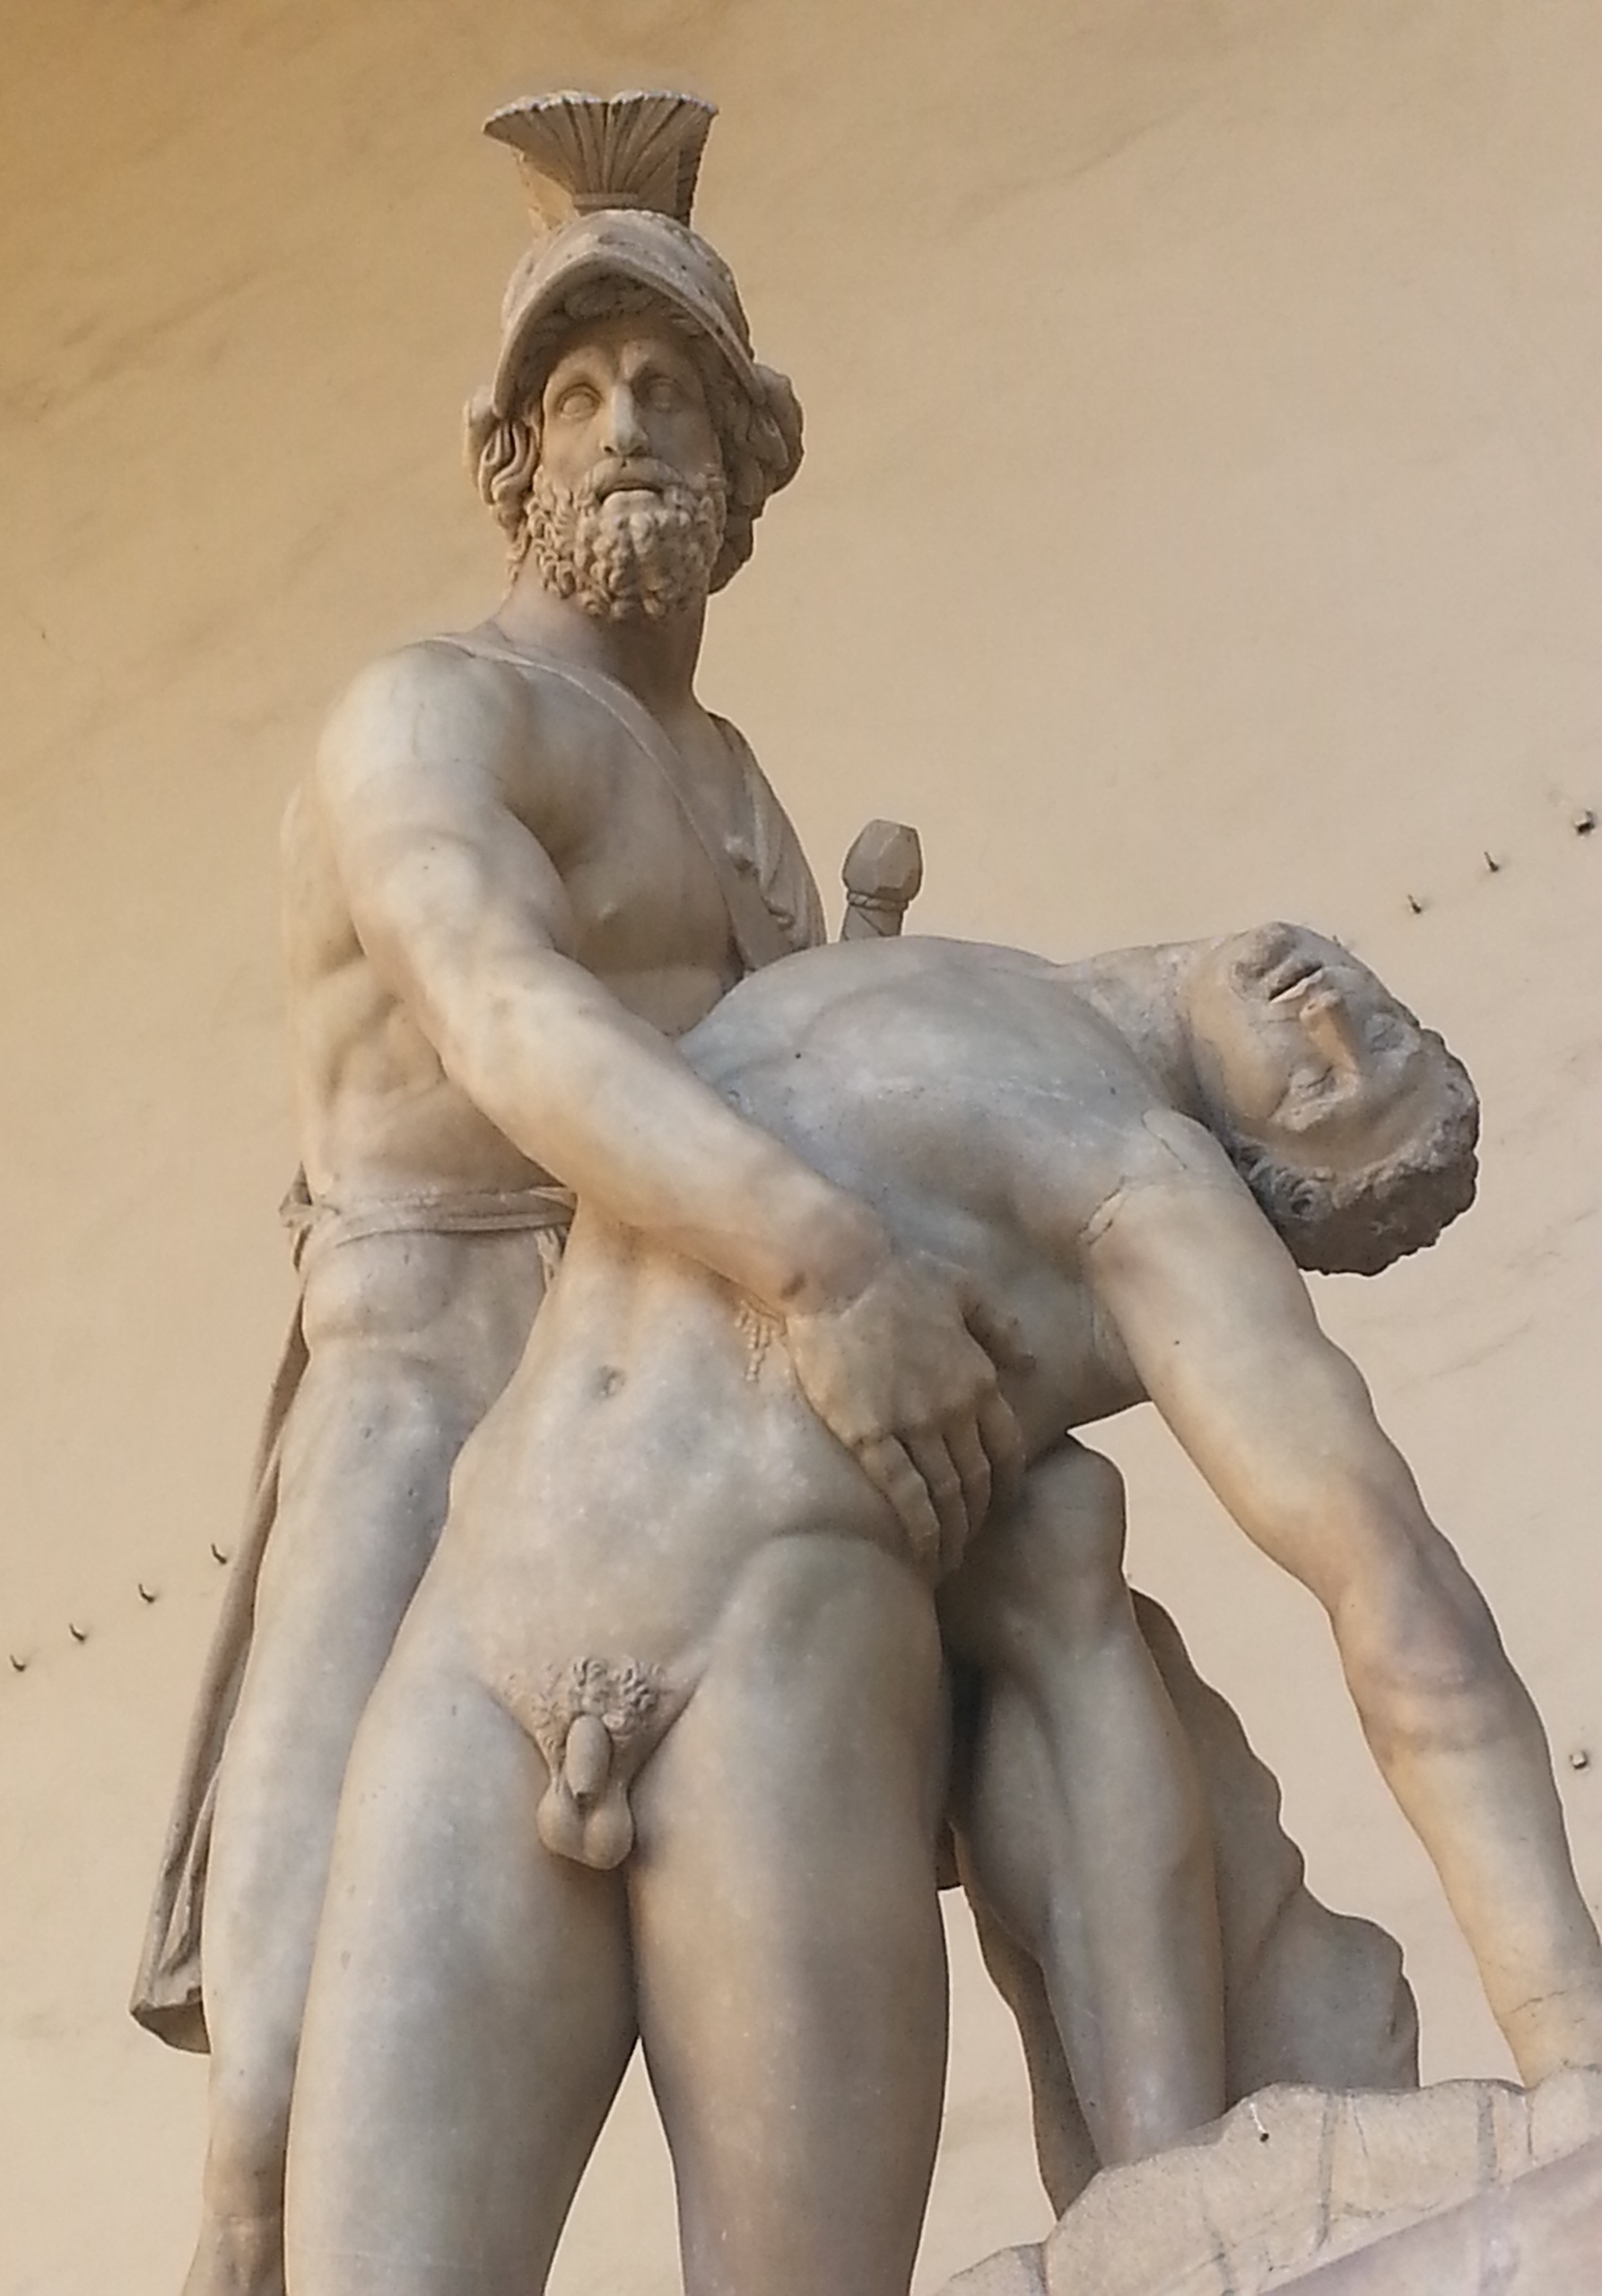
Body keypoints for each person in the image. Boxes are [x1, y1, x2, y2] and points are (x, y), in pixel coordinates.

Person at [136, 93, 1025, 2296]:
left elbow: (811, 1093)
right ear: (511, 455)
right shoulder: (429, 719)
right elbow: (509, 1023)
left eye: (673, 394)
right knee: (275, 2105)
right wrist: (824, 1245)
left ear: (746, 477)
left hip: (661, 1431)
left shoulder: (741, 807)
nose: (628, 425)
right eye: (580, 389)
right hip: (421, 1393)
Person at [283, 924, 1602, 2296]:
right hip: (478, 1635)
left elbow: (1394, 1589)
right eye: (1383, 1027)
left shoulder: (1145, 1192)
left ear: (1265, 1184)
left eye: (1332, 1092)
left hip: (763, 1685)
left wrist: (1574, 2055)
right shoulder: (930, 966)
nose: (1327, 1022)